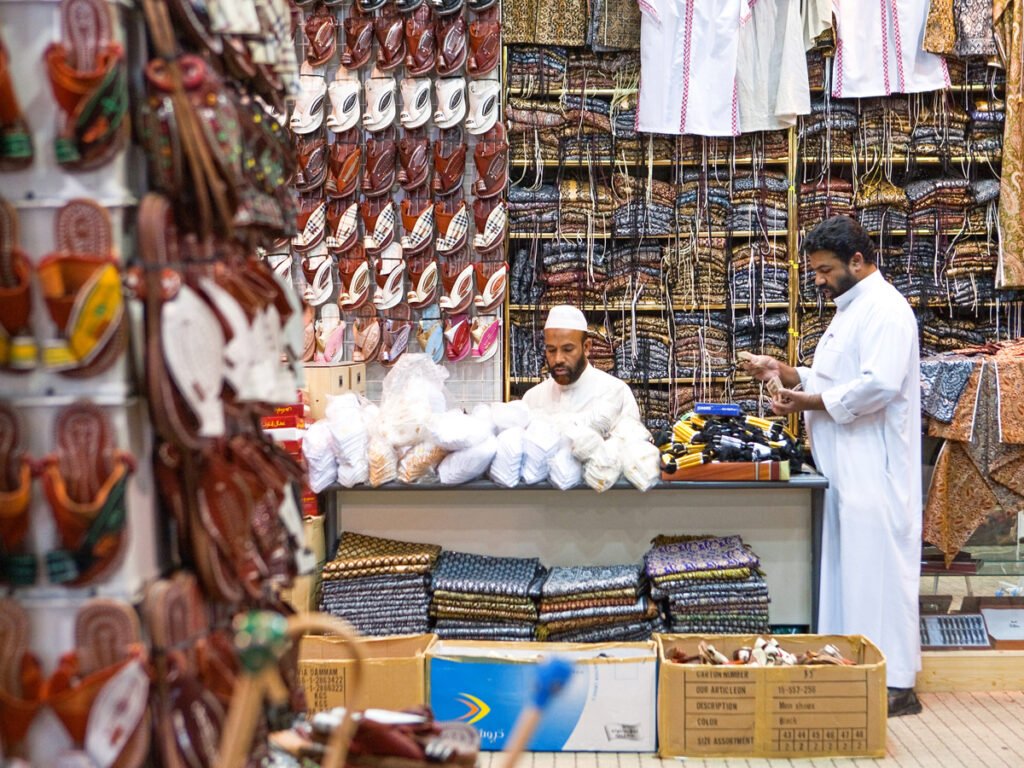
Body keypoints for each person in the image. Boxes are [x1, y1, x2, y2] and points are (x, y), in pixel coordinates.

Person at [740, 215, 923, 717]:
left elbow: (879, 386)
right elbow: (833, 375)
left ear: (858, 262)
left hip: (875, 470)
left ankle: (894, 683)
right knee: (852, 575)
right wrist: (783, 371)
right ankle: (853, 674)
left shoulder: (886, 311)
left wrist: (808, 402)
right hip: (848, 469)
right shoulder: (852, 309)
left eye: (824, 270)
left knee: (877, 576)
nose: (817, 280)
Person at [522, 305, 641, 432]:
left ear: (586, 347)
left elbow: (633, 446)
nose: (558, 359)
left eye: (567, 349)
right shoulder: (532, 399)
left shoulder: (615, 393)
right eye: (551, 350)